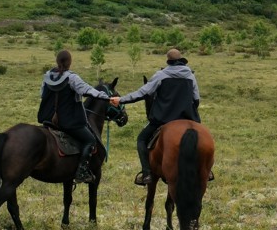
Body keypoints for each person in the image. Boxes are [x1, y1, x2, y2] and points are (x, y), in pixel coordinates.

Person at [109, 48, 201, 185]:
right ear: (182, 60)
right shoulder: (190, 76)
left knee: (141, 139)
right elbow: (196, 100)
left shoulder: (161, 75)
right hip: (188, 118)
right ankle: (206, 170)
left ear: (168, 62)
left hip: (163, 119)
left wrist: (120, 100)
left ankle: (146, 173)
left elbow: (142, 93)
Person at [38, 49, 112, 184]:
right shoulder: (72, 78)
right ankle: (82, 171)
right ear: (69, 62)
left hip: (49, 120)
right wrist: (107, 98)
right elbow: (87, 90)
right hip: (68, 122)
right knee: (90, 140)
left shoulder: (47, 76)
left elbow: (42, 95)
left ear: (57, 61)